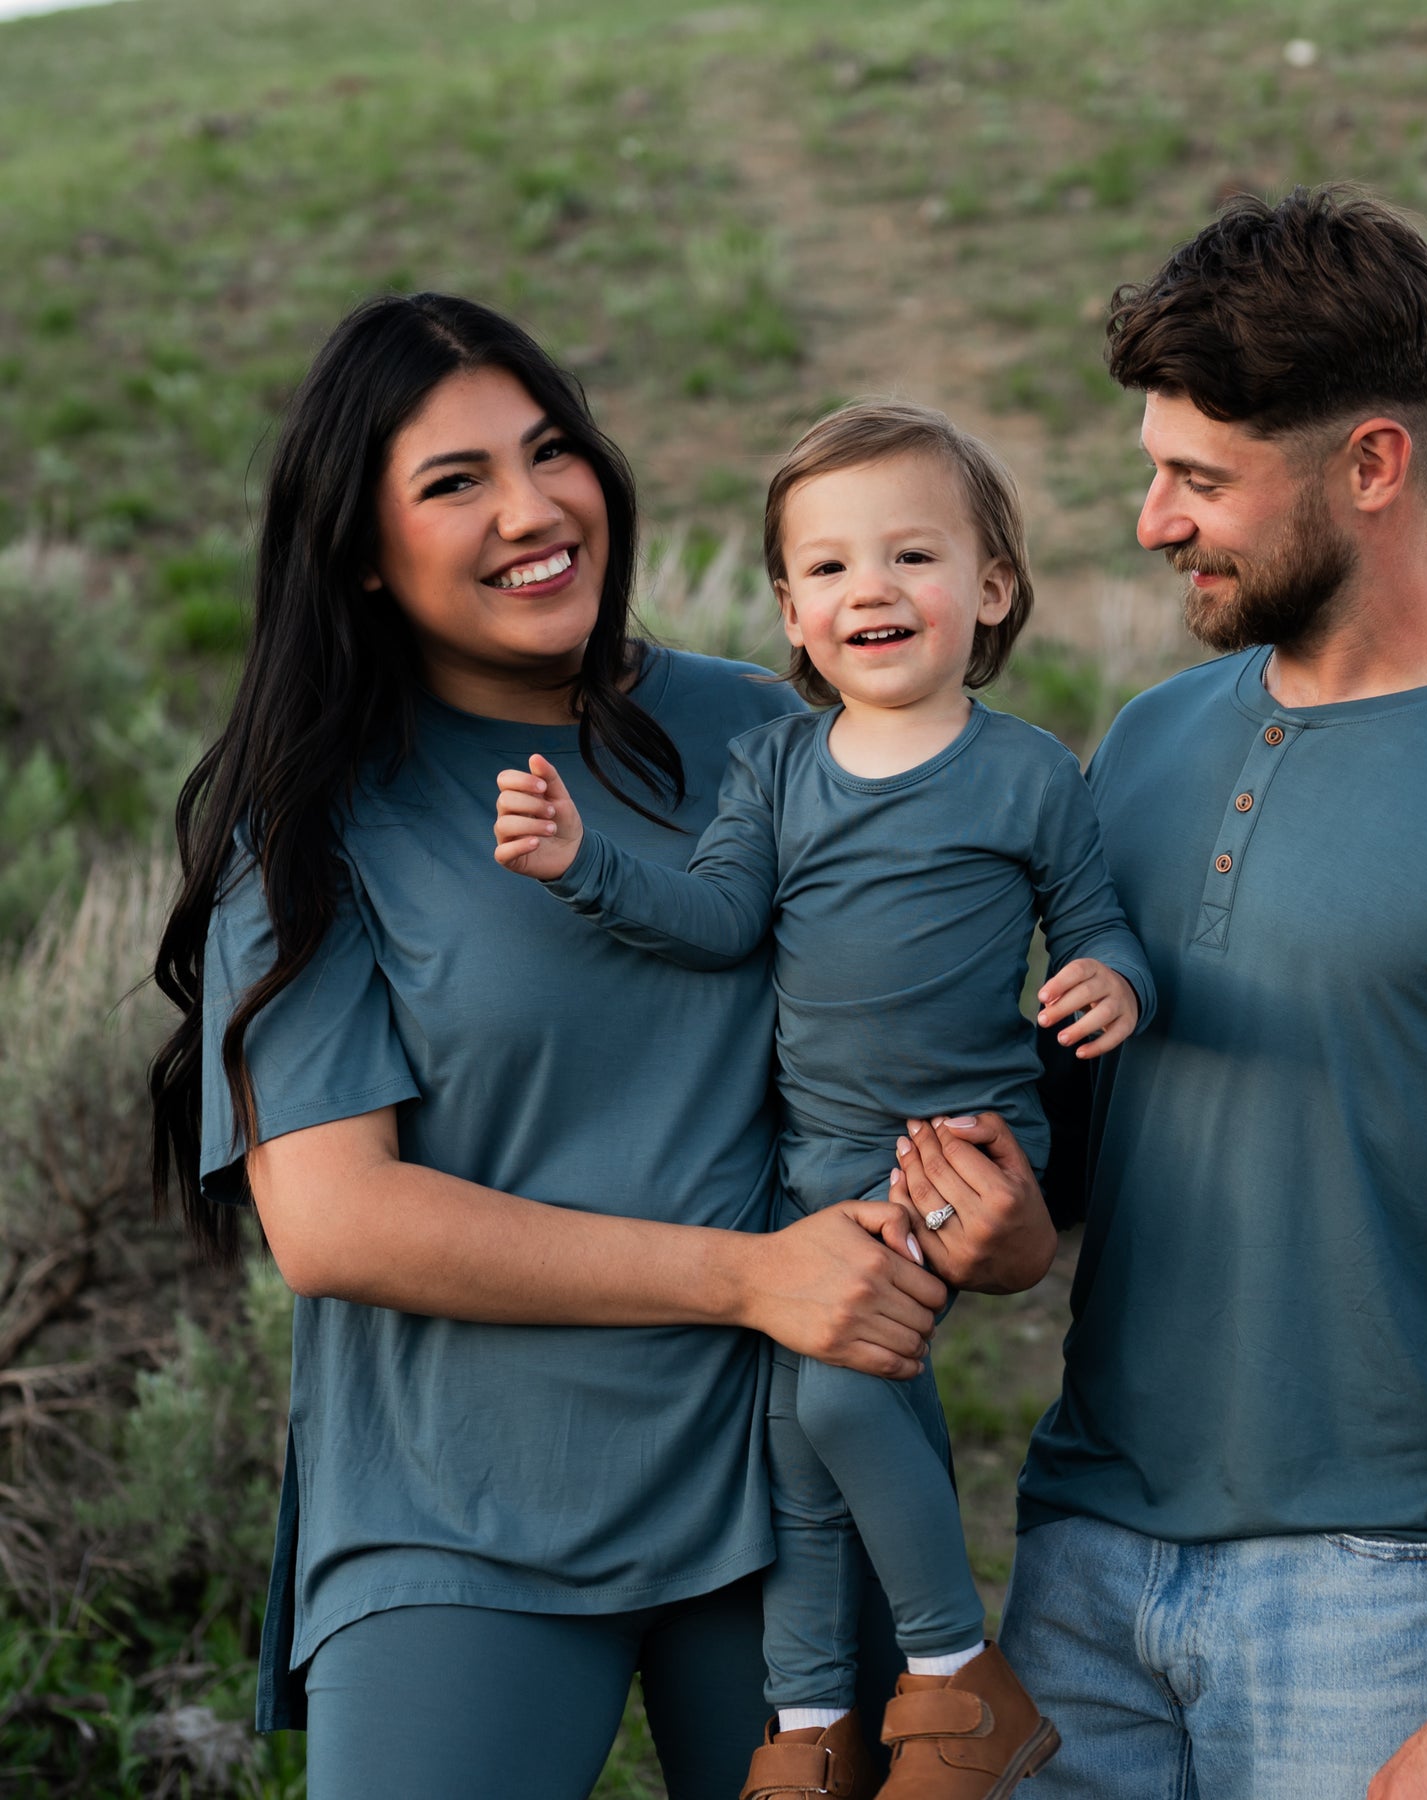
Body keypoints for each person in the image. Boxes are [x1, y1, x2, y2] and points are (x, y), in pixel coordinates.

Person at [147, 295, 1052, 1800]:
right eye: (455, 483)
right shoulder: (311, 827)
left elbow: (914, 1054)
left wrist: (1002, 1228)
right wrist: (752, 1279)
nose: (532, 509)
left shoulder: (778, 733)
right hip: (456, 1510)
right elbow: (334, 1221)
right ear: (363, 553)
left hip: (791, 1487)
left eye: (550, 450)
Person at [891, 187, 1427, 1799]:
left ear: (1371, 464)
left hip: (1393, 1611)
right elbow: (1070, 1144)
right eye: (1154, 469)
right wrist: (1005, 1219)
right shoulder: (1142, 745)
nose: (1150, 520)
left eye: (1200, 479)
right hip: (1081, 1573)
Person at [492, 401, 1152, 1800]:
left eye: (913, 556)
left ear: (991, 588)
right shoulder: (777, 771)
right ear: (791, 612)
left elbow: (1097, 923)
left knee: (850, 1410)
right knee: (796, 1443)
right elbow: (718, 916)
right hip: (819, 1162)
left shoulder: (1026, 772)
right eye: (835, 568)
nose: (875, 591)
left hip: (957, 1146)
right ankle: (805, 1732)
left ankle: (954, 1683)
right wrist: (578, 863)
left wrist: (1110, 981)